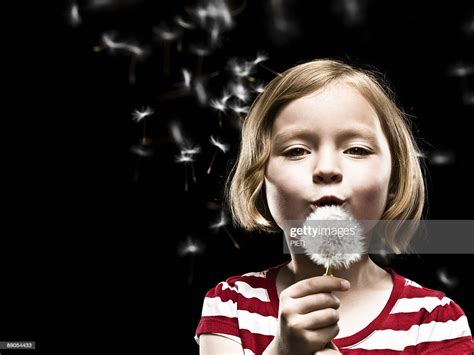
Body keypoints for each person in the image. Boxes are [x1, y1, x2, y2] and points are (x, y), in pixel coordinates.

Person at [195, 59, 474, 354]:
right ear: (259, 179)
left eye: (356, 149)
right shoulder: (231, 306)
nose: (327, 168)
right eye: (296, 150)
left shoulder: (435, 322)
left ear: (395, 178)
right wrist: (282, 350)